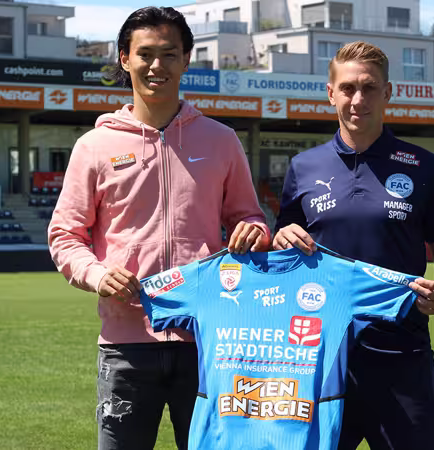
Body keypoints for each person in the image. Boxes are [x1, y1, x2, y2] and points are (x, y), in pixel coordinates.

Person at [47, 7, 271, 449]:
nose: (157, 66)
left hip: (209, 342)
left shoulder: (221, 141)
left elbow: (251, 218)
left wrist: (252, 230)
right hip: (125, 346)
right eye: (145, 54)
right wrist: (98, 274)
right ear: (124, 58)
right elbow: (65, 235)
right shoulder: (94, 146)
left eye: (169, 54)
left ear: (186, 59)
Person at [273, 41, 434, 450]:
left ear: (387, 92)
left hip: (401, 355)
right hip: (319, 359)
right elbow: (282, 255)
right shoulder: (303, 167)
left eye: (369, 88)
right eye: (347, 88)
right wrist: (280, 238)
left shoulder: (423, 166)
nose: (358, 99)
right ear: (331, 93)